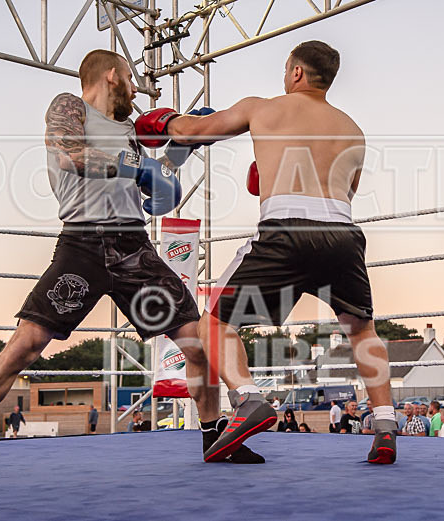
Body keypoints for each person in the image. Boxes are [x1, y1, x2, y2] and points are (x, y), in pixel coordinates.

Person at [0, 49, 262, 482]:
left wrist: (178, 154)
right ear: (112, 76)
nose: (137, 88)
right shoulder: (69, 106)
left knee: (197, 343)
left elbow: (156, 188)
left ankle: (213, 438)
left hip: (135, 247)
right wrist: (140, 166)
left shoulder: (133, 131)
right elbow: (70, 155)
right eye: (131, 79)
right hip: (82, 244)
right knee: (25, 345)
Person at [156, 40, 397, 464]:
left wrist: (163, 121)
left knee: (213, 324)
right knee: (361, 330)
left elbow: (192, 131)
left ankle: (248, 398)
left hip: (285, 230)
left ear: (297, 73)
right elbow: (348, 191)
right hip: (342, 234)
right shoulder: (353, 130)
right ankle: (385, 425)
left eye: (287, 69)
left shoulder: (264, 107)